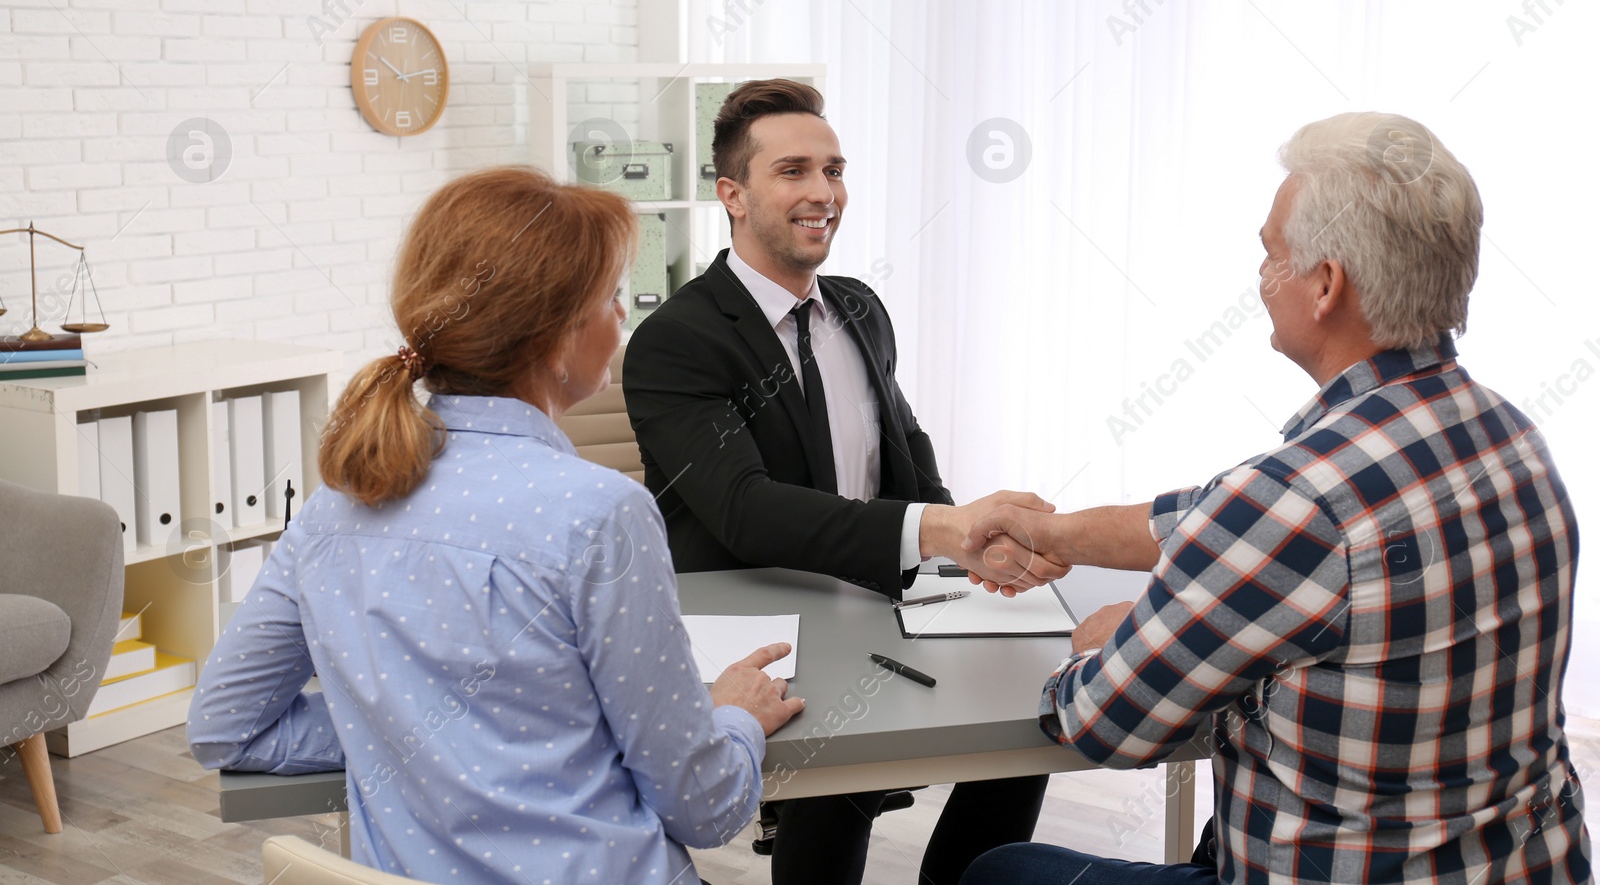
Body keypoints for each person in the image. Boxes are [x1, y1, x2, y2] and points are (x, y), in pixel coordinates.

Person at [960, 114, 1593, 884]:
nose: (1261, 278)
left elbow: (1102, 723)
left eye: (1271, 254)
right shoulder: (1513, 436)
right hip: (1526, 865)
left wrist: (1111, 642)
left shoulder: (1296, 499)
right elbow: (1211, 516)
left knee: (995, 870)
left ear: (1325, 285)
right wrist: (1051, 531)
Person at [187, 167, 804, 884]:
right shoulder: (601, 511)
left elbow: (223, 725)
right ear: (553, 340)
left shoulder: (337, 502)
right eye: (610, 299)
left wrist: (403, 727)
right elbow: (704, 808)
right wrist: (730, 718)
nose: (623, 321)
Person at [622, 80, 1056, 885]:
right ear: (734, 195)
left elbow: (909, 456)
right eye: (793, 170)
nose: (823, 192)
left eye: (834, 168)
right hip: (763, 617)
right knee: (837, 780)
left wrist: (973, 546)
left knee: (1032, 710)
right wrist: (939, 530)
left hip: (874, 593)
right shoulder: (674, 340)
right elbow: (744, 511)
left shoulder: (859, 308)